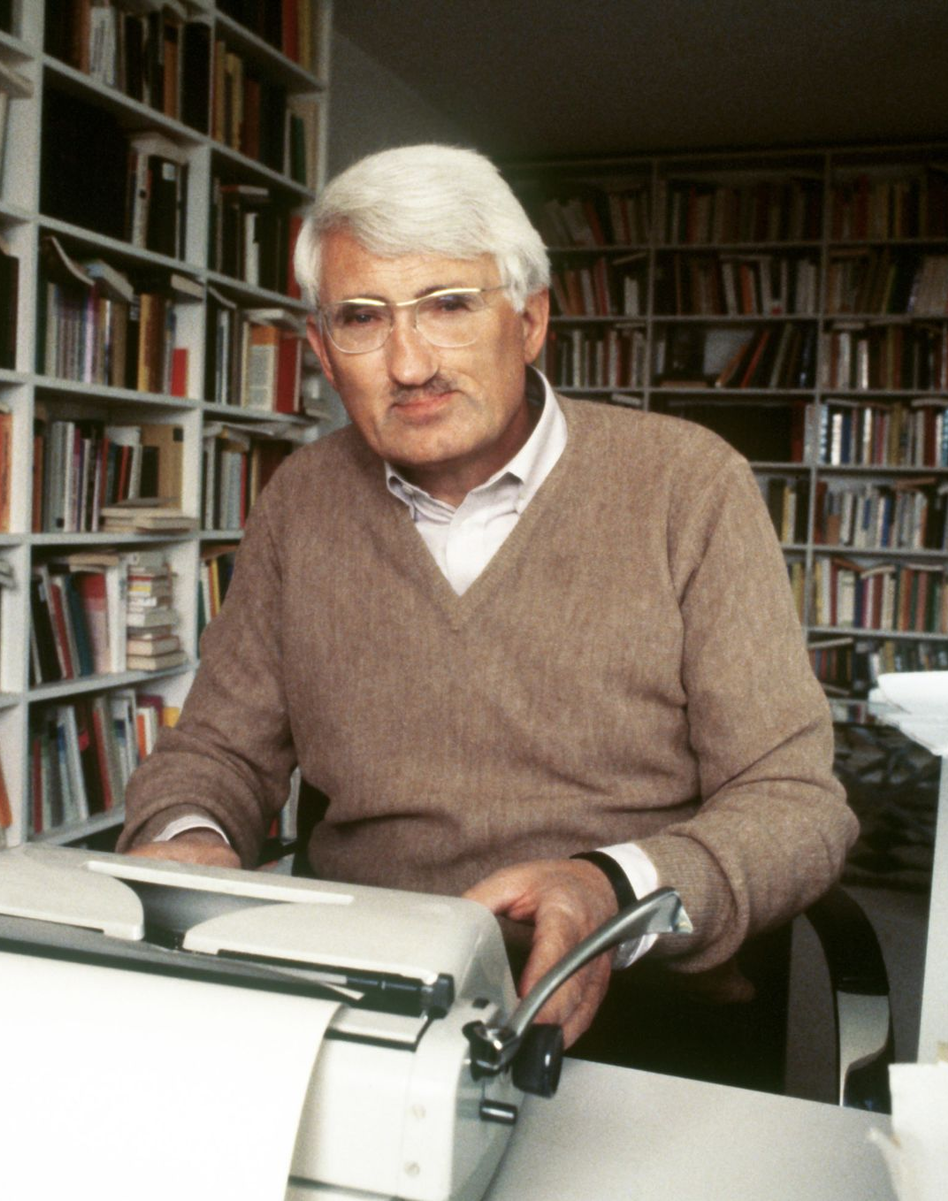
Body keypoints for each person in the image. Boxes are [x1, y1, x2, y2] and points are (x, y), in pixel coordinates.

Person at [117, 144, 858, 1075]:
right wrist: (191, 837)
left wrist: (609, 889)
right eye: (362, 318)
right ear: (320, 350)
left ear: (531, 318)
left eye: (450, 305)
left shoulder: (687, 482)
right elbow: (217, 749)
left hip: (634, 1005)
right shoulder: (302, 497)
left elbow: (794, 804)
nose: (410, 362)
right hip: (361, 996)